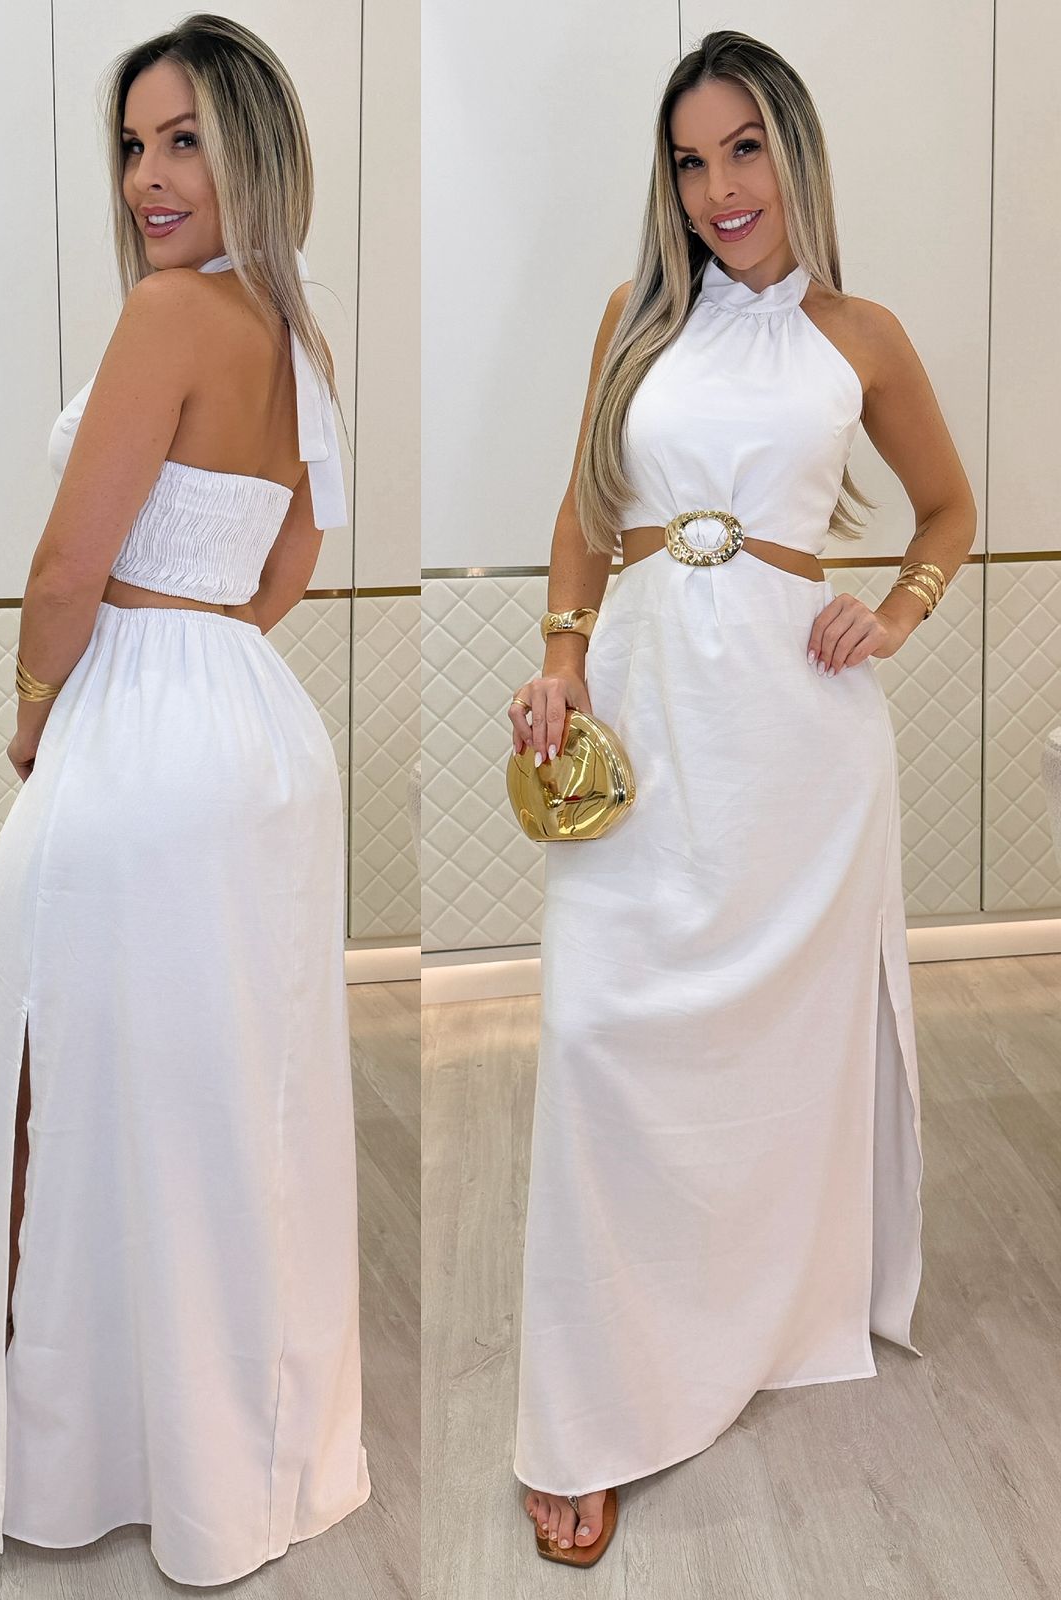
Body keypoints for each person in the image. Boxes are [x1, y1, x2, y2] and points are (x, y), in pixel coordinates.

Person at [0, 15, 371, 1587]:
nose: (148, 175)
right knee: (217, 1095)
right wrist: (208, 649)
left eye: (184, 140)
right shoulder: (294, 335)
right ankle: (205, 1451)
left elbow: (67, 565)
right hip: (255, 737)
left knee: (38, 1067)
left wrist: (37, 712)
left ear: (254, 152)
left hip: (136, 731)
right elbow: (297, 555)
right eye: (135, 145)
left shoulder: (169, 313)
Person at [506, 30, 976, 1567]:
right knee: (597, 1036)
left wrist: (894, 613)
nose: (719, 188)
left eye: (745, 150)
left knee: (773, 1054)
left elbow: (950, 509)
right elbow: (587, 509)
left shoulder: (862, 336)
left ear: (795, 152)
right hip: (648, 713)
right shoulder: (635, 321)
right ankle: (587, 1405)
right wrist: (561, 661)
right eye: (691, 161)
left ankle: (743, 1321)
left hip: (799, 743)